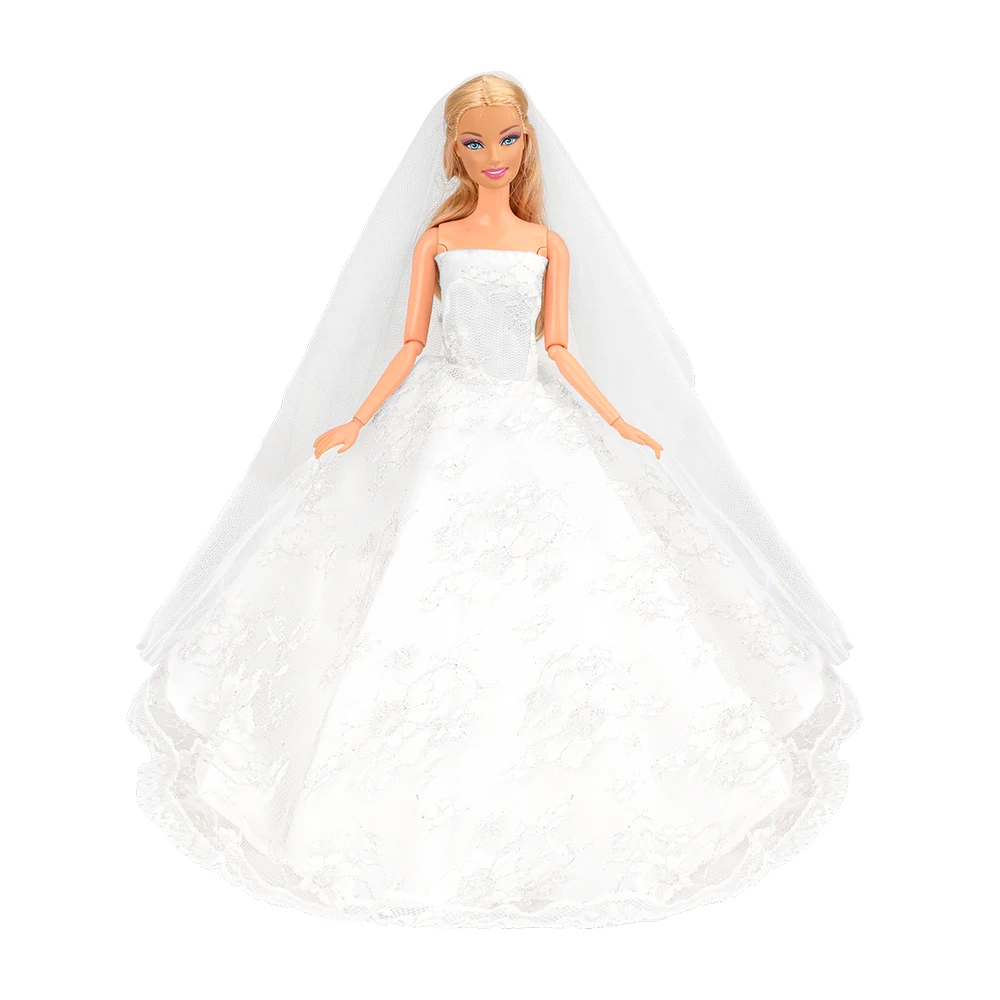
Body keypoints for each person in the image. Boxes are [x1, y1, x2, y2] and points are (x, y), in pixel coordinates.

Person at [128, 70, 861, 929]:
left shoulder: (547, 245)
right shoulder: (438, 242)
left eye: (506, 139)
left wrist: (618, 420)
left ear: (527, 144)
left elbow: (560, 346)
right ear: (453, 149)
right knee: (398, 573)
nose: (492, 155)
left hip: (534, 410)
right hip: (444, 412)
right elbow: (411, 342)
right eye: (475, 142)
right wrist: (358, 419)